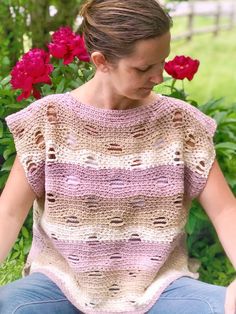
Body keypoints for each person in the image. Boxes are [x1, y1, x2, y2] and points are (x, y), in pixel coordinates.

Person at [0, 0, 235, 313]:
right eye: (143, 68)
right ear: (101, 61)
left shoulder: (182, 124)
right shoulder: (49, 121)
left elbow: (224, 210)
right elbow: (9, 213)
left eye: (161, 63)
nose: (159, 77)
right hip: (60, 286)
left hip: (160, 289)